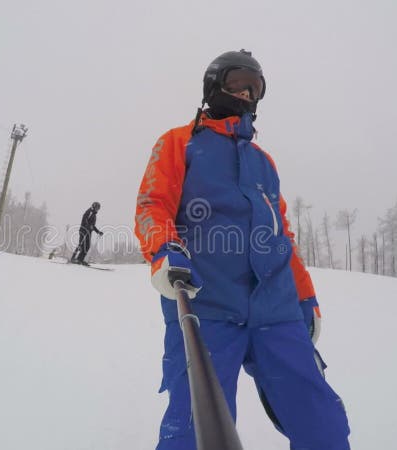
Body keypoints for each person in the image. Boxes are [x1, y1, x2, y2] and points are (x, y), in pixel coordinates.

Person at [134, 50, 350, 449]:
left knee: (323, 421)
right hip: (205, 305)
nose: (247, 93)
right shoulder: (179, 142)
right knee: (195, 430)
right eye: (238, 82)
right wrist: (164, 250)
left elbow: (281, 234)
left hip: (277, 310)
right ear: (213, 85)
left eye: (256, 87)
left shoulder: (263, 162)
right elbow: (152, 204)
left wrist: (306, 296)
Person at [71, 201, 103, 265]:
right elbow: (84, 219)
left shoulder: (94, 214)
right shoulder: (89, 212)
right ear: (94, 206)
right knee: (81, 245)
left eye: (98, 208)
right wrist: (88, 226)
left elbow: (92, 226)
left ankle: (80, 259)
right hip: (83, 230)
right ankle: (73, 258)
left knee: (87, 246)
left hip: (89, 232)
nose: (97, 209)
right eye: (97, 208)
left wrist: (98, 232)